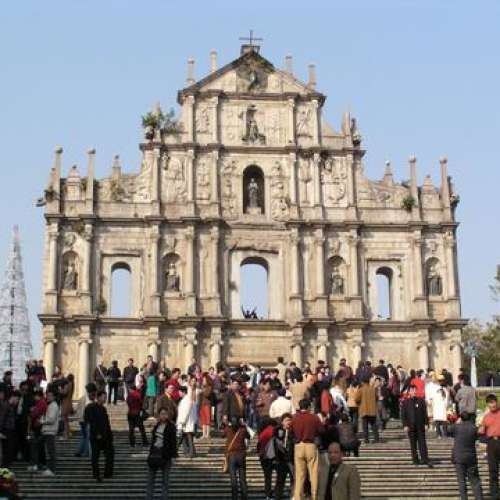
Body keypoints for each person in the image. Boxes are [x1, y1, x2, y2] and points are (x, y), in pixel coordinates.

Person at [292, 399, 324, 500]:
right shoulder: (314, 417)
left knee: (299, 475)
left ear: (299, 407)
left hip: (298, 446)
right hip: (311, 445)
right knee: (314, 474)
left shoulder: (294, 418)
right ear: (309, 406)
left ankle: (298, 496)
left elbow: (291, 432)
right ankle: (315, 496)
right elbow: (321, 430)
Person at [145, 407, 177, 500]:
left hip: (165, 455)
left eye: (165, 414)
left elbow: (173, 442)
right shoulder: (157, 425)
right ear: (159, 415)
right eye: (162, 414)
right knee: (150, 480)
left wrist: (173, 456)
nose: (163, 416)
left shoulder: (171, 426)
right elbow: (153, 441)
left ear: (168, 415)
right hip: (154, 454)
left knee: (165, 480)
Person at [449, 412, 483, 500]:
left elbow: (448, 431)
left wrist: (456, 422)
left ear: (461, 418)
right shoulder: (473, 428)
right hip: (471, 457)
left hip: (459, 458)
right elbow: (478, 435)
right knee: (475, 481)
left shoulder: (456, 427)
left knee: (461, 481)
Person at [85, 390, 114, 482]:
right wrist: (97, 433)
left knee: (110, 454)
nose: (105, 399)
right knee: (95, 456)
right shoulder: (91, 407)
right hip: (96, 436)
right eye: (104, 397)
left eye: (106, 397)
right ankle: (96, 474)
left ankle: (108, 473)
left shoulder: (103, 408)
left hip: (105, 436)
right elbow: (91, 421)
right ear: (99, 397)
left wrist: (110, 435)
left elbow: (106, 423)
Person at [401, 384, 432, 467]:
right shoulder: (405, 402)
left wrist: (426, 423)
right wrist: (405, 425)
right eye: (412, 390)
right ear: (409, 392)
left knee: (422, 443)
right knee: (413, 444)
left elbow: (425, 413)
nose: (414, 392)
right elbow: (403, 415)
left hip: (420, 425)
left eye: (415, 390)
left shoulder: (421, 400)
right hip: (411, 426)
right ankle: (415, 459)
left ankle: (424, 458)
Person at [479, 393, 500, 499]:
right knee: (493, 470)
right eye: (490, 403)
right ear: (487, 404)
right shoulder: (486, 417)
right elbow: (481, 432)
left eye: (494, 402)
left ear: (497, 402)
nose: (492, 405)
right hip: (491, 444)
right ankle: (495, 495)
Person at [225, 418, 250, 500]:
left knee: (233, 479)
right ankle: (244, 497)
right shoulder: (243, 429)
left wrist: (228, 424)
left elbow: (223, 434)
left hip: (232, 456)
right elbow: (249, 436)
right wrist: (244, 425)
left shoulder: (228, 429)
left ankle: (234, 497)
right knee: (242, 479)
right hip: (241, 456)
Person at [39, 389, 60, 476]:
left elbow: (51, 419)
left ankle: (52, 469)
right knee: (48, 450)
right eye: (47, 395)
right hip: (47, 431)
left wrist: (42, 421)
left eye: (50, 395)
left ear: (54, 397)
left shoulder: (53, 406)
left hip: (50, 431)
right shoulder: (50, 405)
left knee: (51, 451)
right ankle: (49, 468)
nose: (48, 397)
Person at [176, 380, 199, 458]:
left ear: (183, 392)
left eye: (179, 392)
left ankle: (191, 452)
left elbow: (185, 412)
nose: (179, 393)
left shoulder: (186, 400)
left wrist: (182, 422)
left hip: (187, 422)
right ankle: (187, 451)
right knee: (185, 438)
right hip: (188, 422)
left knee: (189, 438)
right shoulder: (187, 400)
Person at [74, 383, 96, 458]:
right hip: (85, 420)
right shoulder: (89, 399)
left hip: (81, 419)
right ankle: (86, 452)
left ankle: (79, 451)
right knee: (87, 436)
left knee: (84, 436)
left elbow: (78, 410)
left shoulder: (82, 398)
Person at [257, 417, 277, 500]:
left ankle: (268, 494)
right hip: (273, 456)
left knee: (267, 477)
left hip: (264, 457)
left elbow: (259, 445)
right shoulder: (274, 430)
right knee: (280, 475)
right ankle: (276, 492)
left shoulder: (262, 433)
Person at [356, 376, 379, 444]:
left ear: (362, 382)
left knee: (365, 426)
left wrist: (359, 403)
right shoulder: (373, 389)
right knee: (374, 425)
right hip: (372, 410)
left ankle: (366, 439)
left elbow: (357, 399)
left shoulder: (361, 389)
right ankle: (376, 438)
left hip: (364, 410)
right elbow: (377, 397)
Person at [60, 374, 74, 439]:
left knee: (65, 420)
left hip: (65, 402)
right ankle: (68, 433)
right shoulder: (72, 384)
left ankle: (66, 435)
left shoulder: (68, 384)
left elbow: (64, 392)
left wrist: (60, 389)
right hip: (69, 402)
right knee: (66, 420)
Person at [199, 374, 213, 440]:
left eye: (204, 379)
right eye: (203, 379)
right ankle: (203, 434)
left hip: (207, 404)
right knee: (203, 420)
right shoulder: (202, 386)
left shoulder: (209, 387)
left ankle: (208, 434)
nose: (203, 380)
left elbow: (207, 394)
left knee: (208, 419)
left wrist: (202, 390)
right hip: (202, 404)